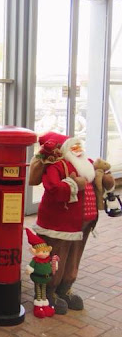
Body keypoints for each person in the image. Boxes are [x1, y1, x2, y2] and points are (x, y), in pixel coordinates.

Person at [33, 132, 115, 315]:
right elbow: (53, 188)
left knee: (74, 256)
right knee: (56, 257)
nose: (78, 150)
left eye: (78, 146)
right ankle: (49, 292)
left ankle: (65, 288)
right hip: (60, 224)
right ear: (63, 150)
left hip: (82, 224)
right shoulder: (56, 166)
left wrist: (106, 179)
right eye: (73, 147)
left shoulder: (86, 163)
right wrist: (74, 184)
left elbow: (100, 176)